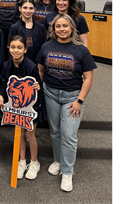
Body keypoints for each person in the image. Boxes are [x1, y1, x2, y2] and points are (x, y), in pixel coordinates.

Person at [35, 14, 96, 192]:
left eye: (65, 26)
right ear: (53, 29)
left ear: (71, 28)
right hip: (50, 94)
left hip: (72, 98)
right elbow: (40, 69)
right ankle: (58, 160)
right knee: (55, 131)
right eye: (58, 26)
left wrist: (79, 101)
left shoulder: (81, 50)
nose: (61, 29)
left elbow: (89, 78)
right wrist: (39, 87)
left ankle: (68, 171)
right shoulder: (47, 46)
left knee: (69, 135)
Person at [0, 35, 46, 180]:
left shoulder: (31, 66)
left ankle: (34, 162)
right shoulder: (6, 65)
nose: (16, 50)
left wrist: (38, 87)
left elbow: (38, 88)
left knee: (29, 134)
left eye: (19, 48)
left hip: (32, 107)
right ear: (9, 48)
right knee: (18, 133)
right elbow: (2, 83)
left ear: (25, 49)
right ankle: (22, 161)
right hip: (16, 106)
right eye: (13, 47)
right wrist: (0, 95)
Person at [9, 0, 47, 64]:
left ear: (34, 10)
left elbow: (44, 49)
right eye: (25, 8)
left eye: (31, 8)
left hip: (37, 65)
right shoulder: (14, 28)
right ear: (20, 9)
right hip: (19, 65)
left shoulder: (41, 27)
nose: (28, 11)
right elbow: (10, 49)